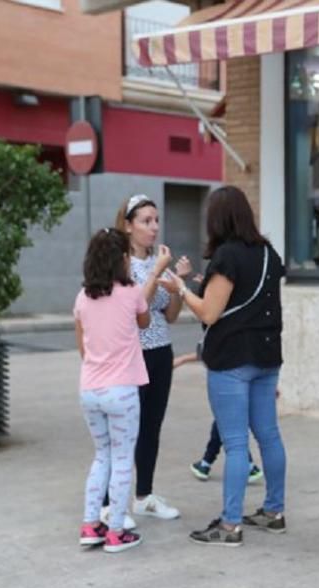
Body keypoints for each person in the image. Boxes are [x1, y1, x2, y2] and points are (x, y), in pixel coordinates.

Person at [160, 186, 287, 547]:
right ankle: (274, 511)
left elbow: (210, 312)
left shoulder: (227, 256)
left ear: (217, 218)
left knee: (234, 443)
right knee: (270, 434)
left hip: (231, 358)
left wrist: (181, 290)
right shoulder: (268, 252)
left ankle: (230, 525)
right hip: (266, 356)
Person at [101, 194, 186, 527]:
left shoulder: (158, 261)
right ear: (128, 225)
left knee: (152, 425)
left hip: (160, 351)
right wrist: (156, 273)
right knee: (123, 430)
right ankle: (110, 503)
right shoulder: (120, 264)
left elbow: (170, 315)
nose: (153, 228)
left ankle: (144, 496)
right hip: (129, 354)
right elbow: (134, 309)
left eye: (156, 220)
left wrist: (177, 288)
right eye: (146, 221)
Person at [74, 228, 150, 553]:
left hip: (90, 388)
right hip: (122, 391)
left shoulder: (81, 298)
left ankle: (91, 525)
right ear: (122, 260)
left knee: (101, 456)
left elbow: (82, 347)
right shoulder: (131, 292)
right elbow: (144, 322)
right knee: (122, 459)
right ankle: (117, 531)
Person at [173, 348, 263, 484]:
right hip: (245, 380)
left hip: (228, 380)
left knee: (226, 425)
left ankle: (210, 463)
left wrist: (183, 359)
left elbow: (207, 348)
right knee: (226, 424)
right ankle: (207, 463)